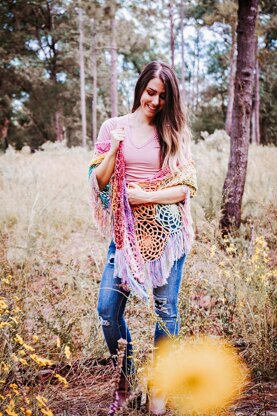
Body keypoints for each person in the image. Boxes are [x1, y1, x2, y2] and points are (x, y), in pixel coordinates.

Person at [89, 61, 197, 415]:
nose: (155, 101)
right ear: (139, 89)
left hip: (167, 234)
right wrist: (113, 150)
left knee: (166, 311)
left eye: (163, 96)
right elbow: (98, 181)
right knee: (107, 310)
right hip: (125, 236)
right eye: (151, 92)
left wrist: (145, 196)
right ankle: (127, 379)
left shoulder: (174, 132)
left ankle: (160, 389)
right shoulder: (113, 127)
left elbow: (185, 187)